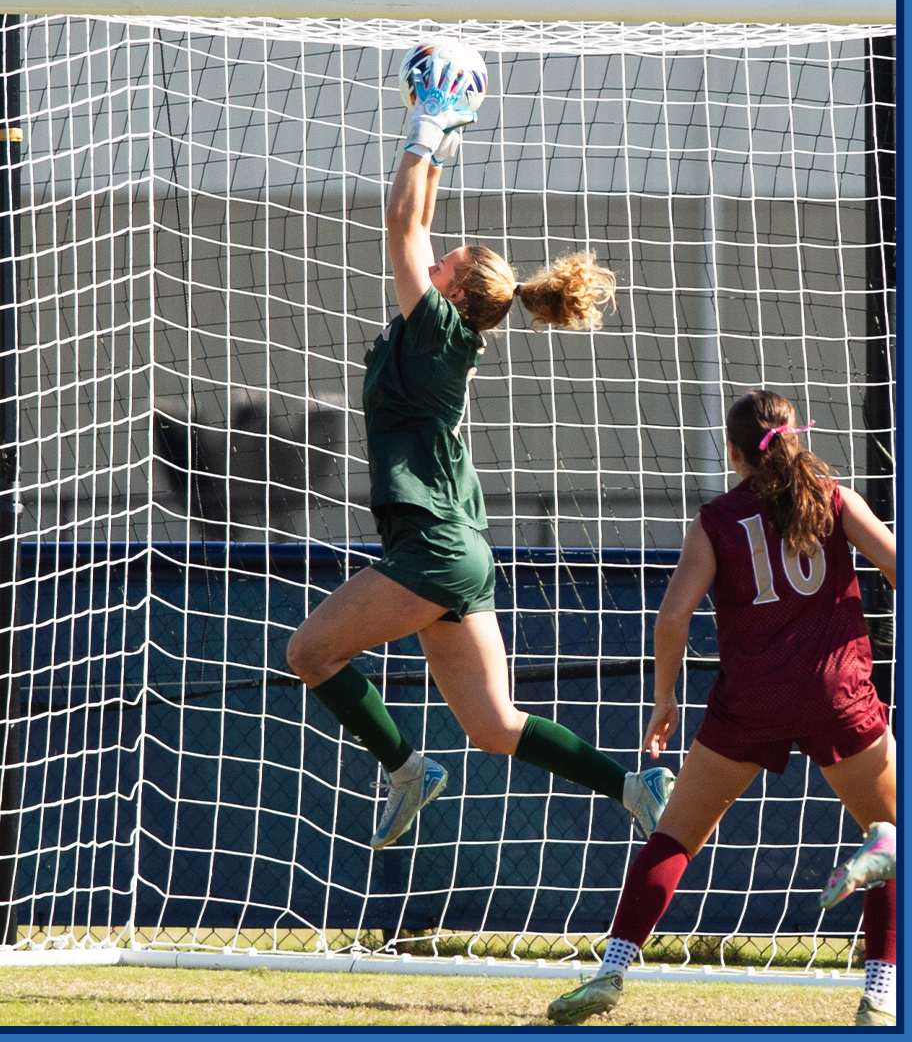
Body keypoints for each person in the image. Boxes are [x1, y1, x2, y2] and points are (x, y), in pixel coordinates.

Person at [281, 52, 671, 852]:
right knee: (495, 726)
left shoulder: (436, 330)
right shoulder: (448, 330)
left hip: (431, 548)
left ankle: (404, 769)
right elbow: (418, 224)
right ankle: (635, 786)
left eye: (446, 261)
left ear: (453, 292)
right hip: (458, 549)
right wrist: (441, 138)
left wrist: (427, 125)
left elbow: (401, 223)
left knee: (310, 652)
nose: (434, 254)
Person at [547, 390, 897, 1027]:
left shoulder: (716, 518)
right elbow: (898, 565)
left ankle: (611, 971)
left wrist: (664, 697)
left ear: (733, 453)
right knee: (896, 834)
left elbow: (673, 613)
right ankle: (880, 993)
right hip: (835, 690)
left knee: (674, 837)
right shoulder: (834, 497)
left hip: (750, 699)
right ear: (797, 437)